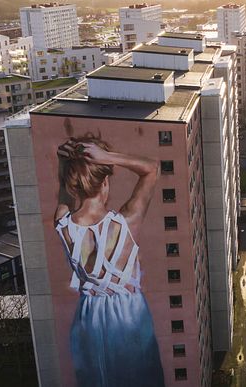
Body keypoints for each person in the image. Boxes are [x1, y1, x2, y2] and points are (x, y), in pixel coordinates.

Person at [54, 133, 164, 387]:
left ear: (73, 184)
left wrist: (65, 166)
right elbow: (151, 169)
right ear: (105, 182)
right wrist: (108, 157)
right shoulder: (126, 223)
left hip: (88, 318)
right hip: (129, 317)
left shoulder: (62, 224)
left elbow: (65, 197)